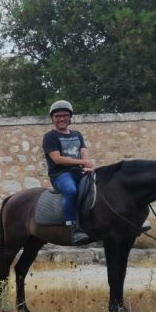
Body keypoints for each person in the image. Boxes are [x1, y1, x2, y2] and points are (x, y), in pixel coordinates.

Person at [41, 100, 95, 244]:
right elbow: (57, 159)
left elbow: (83, 150)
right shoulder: (50, 137)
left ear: (70, 117)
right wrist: (82, 162)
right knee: (71, 190)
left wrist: (86, 164)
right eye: (57, 116)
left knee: (101, 185)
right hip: (60, 175)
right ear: (52, 119)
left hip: (79, 171)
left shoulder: (77, 134)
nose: (61, 118)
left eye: (65, 115)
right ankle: (73, 228)